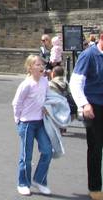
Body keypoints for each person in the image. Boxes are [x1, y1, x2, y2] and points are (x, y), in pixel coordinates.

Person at [12, 55, 53, 196]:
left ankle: (39, 180)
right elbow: (16, 103)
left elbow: (47, 97)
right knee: (26, 156)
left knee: (48, 151)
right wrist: (18, 120)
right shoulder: (26, 84)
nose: (41, 67)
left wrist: (48, 107)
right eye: (37, 65)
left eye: (42, 64)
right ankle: (23, 183)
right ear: (30, 68)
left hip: (41, 122)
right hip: (27, 123)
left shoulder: (45, 81)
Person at [70, 33, 103, 199]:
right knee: (96, 148)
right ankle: (95, 187)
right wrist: (84, 104)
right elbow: (75, 82)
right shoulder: (89, 55)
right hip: (94, 107)